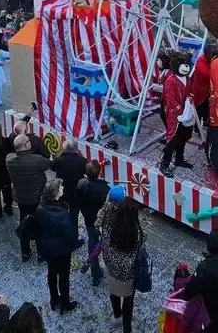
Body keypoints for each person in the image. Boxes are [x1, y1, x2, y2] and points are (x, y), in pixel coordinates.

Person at [22, 178, 78, 313]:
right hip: (62, 251)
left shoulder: (40, 208)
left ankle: (54, 300)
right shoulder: (63, 215)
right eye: (60, 187)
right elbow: (69, 237)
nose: (63, 188)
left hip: (46, 248)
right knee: (63, 277)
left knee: (52, 274)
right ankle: (65, 303)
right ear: (55, 193)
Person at [99, 188, 143, 333]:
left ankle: (117, 315)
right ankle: (127, 328)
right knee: (129, 301)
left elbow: (104, 247)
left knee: (114, 293)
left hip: (112, 270)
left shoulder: (108, 230)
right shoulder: (137, 235)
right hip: (128, 274)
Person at [5, 133, 52, 261]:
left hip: (20, 198)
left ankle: (25, 252)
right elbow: (47, 164)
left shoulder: (9, 159)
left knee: (23, 222)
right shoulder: (36, 160)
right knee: (40, 224)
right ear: (26, 145)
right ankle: (41, 253)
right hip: (36, 197)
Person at [77, 159, 110, 287]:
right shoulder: (105, 188)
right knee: (101, 243)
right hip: (102, 221)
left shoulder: (81, 183)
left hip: (89, 218)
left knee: (93, 241)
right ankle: (101, 271)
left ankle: (95, 272)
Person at [52, 137, 87, 231]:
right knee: (74, 215)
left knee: (61, 212)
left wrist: (60, 154)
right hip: (76, 192)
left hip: (62, 191)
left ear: (64, 148)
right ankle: (73, 233)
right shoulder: (83, 161)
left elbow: (52, 167)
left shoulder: (59, 160)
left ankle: (61, 230)